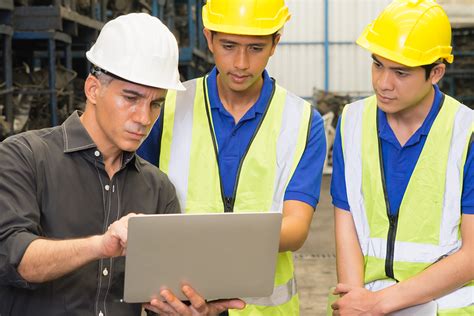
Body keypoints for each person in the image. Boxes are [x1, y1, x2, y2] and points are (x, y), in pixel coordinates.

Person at [0, 13, 244, 316]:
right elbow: (12, 256)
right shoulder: (24, 157)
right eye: (131, 98)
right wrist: (101, 246)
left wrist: (192, 310)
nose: (144, 118)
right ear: (93, 89)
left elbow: (160, 299)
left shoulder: (158, 189)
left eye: (155, 103)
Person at [138, 0, 326, 315]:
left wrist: (201, 240)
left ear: (275, 43)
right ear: (209, 38)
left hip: (265, 310)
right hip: (180, 305)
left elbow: (296, 228)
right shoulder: (167, 108)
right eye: (228, 45)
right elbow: (138, 209)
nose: (240, 63)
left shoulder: (303, 121)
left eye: (255, 48)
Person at [329, 0, 473, 314]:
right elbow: (347, 223)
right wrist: (356, 302)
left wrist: (378, 303)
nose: (383, 83)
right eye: (377, 64)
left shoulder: (467, 133)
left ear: (436, 72)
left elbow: (473, 255)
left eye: (401, 72)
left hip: (444, 307)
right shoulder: (352, 122)